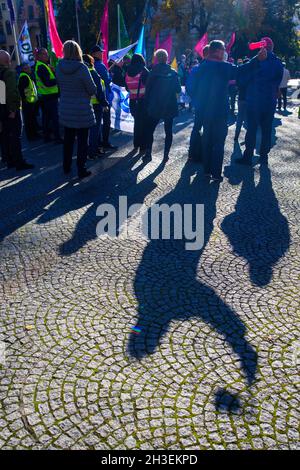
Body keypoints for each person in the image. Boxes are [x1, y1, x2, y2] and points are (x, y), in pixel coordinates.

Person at [236, 37, 283, 166]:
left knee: (251, 129)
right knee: (267, 129)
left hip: (254, 101)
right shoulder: (278, 63)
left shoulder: (256, 61)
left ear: (261, 47)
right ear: (272, 48)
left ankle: (248, 157)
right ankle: (263, 156)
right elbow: (278, 79)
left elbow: (244, 76)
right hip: (269, 101)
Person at [56, 40, 96, 179]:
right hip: (81, 110)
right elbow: (92, 89)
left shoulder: (58, 67)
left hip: (66, 108)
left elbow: (60, 86)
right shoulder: (82, 68)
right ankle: (81, 169)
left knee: (68, 140)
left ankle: (66, 166)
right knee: (82, 142)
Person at [144, 49, 181, 162]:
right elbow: (178, 89)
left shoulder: (152, 72)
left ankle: (148, 153)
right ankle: (166, 155)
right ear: (166, 58)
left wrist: (147, 104)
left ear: (156, 58)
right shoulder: (173, 72)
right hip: (169, 105)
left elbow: (147, 90)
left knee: (150, 130)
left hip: (155, 105)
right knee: (168, 131)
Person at [0, 50, 34, 170]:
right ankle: (18, 161)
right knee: (15, 136)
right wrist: (13, 109)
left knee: (5, 135)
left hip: (2, 109)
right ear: (7, 61)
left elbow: (2, 94)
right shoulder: (9, 73)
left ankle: (9, 159)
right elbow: (11, 92)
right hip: (10, 109)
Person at [83, 54, 109, 160]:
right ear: (91, 62)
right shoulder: (92, 72)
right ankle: (92, 152)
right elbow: (99, 90)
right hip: (96, 104)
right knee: (95, 129)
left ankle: (94, 149)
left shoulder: (83, 72)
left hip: (86, 104)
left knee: (91, 130)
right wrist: (104, 103)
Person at [91, 45, 117, 150]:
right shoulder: (100, 65)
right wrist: (110, 76)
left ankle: (98, 142)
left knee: (97, 122)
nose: (102, 54)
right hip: (104, 96)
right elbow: (107, 80)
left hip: (96, 97)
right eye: (99, 52)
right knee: (106, 121)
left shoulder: (92, 65)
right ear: (94, 54)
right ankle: (104, 142)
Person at [34, 48, 62, 143]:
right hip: (49, 96)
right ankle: (57, 137)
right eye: (45, 54)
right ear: (39, 56)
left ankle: (47, 137)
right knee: (54, 118)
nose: (47, 56)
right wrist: (58, 79)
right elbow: (48, 83)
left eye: (47, 54)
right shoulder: (41, 66)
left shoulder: (42, 66)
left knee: (46, 118)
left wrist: (53, 72)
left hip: (46, 96)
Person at [125, 53, 149, 154]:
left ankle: (136, 144)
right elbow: (149, 86)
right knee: (144, 124)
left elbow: (126, 87)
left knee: (137, 123)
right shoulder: (144, 71)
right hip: (143, 101)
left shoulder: (127, 71)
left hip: (132, 101)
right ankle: (143, 147)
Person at [18, 62, 39, 141]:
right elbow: (21, 90)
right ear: (24, 69)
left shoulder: (25, 76)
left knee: (31, 119)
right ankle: (31, 135)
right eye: (28, 68)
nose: (30, 69)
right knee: (29, 119)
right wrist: (25, 100)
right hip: (28, 102)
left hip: (29, 101)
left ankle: (33, 134)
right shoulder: (24, 77)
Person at [234, 58, 249, 141]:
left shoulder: (240, 74)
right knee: (248, 119)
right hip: (250, 99)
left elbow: (237, 86)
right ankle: (248, 138)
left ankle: (236, 135)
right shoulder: (252, 75)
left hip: (241, 98)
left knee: (240, 117)